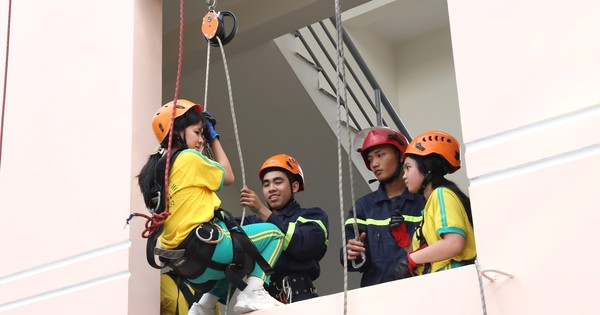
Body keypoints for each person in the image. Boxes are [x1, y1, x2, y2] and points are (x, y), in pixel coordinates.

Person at [137, 99, 285, 315]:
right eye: (197, 132)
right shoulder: (188, 158)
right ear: (177, 130)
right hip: (205, 246)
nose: (200, 139)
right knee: (274, 234)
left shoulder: (155, 172)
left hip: (185, 262)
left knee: (234, 265)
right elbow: (229, 176)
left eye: (202, 134)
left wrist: (202, 135)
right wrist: (214, 138)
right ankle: (254, 291)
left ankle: (203, 307)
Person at [340, 126, 425, 287]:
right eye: (370, 159)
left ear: (400, 155)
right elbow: (350, 261)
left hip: (419, 290)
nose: (374, 164)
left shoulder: (423, 201)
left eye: (380, 155)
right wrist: (352, 253)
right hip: (376, 295)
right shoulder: (363, 207)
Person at [238, 154, 329, 303]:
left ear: (295, 186)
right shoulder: (252, 222)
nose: (271, 188)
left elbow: (302, 246)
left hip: (301, 299)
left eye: (278, 182)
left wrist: (261, 209)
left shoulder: (313, 216)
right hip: (262, 301)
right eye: (266, 184)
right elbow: (224, 229)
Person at [394, 130, 476, 278]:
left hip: (453, 279)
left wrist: (411, 259)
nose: (404, 175)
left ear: (428, 169)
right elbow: (432, 256)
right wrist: (407, 244)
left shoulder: (441, 195)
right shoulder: (431, 202)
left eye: (408, 167)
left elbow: (453, 244)